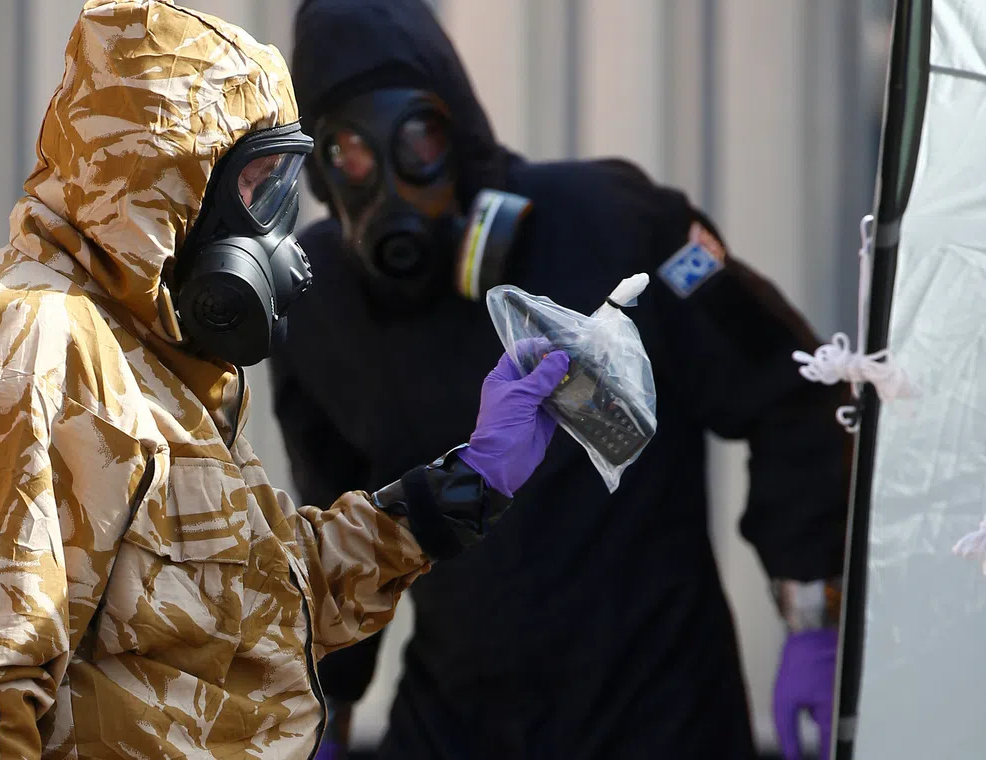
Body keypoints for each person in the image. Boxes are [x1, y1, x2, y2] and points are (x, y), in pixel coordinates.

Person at [0, 2, 570, 758]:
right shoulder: (42, 346)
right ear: (167, 181)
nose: (280, 233)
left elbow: (269, 592)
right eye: (261, 186)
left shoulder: (155, 359)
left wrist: (466, 483)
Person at [270, 1, 852, 759]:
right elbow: (337, 530)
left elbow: (791, 391)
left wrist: (815, 614)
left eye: (415, 139)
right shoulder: (321, 308)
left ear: (462, 130)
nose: (384, 180)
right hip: (457, 726)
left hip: (659, 720)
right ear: (318, 172)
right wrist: (321, 711)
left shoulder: (620, 225)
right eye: (346, 152)